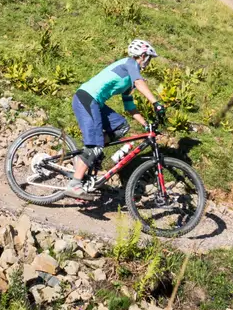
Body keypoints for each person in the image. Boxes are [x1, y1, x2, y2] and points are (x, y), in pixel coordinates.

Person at [66, 39, 164, 200]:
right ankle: (75, 183)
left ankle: (87, 155)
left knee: (121, 127)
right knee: (96, 146)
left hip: (96, 103)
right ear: (143, 56)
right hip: (86, 98)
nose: (149, 62)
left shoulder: (129, 81)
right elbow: (139, 83)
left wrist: (146, 124)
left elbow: (129, 107)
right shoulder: (130, 63)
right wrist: (156, 103)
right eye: (149, 58)